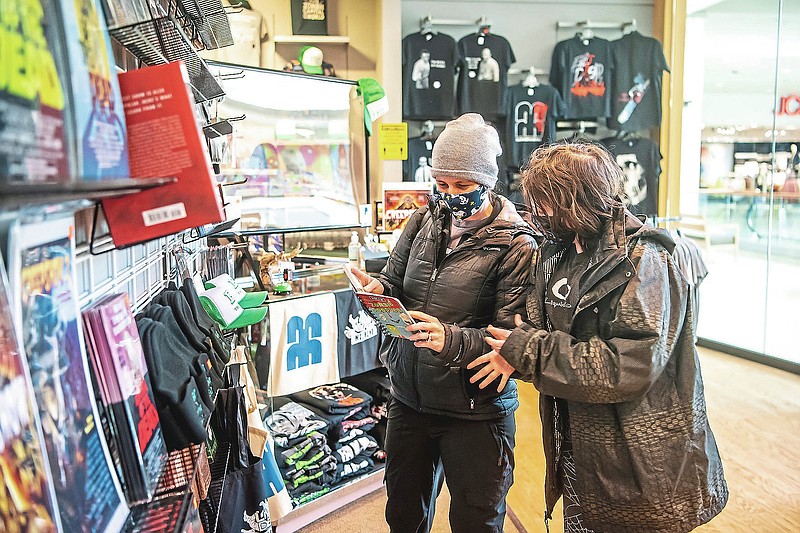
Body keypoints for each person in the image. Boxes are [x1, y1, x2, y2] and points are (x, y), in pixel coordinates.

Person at [468, 142, 729, 532]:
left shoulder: (645, 260)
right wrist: (519, 351)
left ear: (574, 200)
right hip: (581, 446)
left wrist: (529, 351)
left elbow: (628, 366)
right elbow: (539, 328)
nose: (537, 212)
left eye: (545, 202)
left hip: (640, 459)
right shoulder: (556, 252)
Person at [350, 113, 535, 533]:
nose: (450, 195)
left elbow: (510, 339)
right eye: (442, 184)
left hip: (474, 409)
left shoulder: (516, 243)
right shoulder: (424, 219)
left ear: (487, 181)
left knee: (476, 521)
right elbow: (394, 279)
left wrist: (446, 338)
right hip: (409, 398)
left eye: (463, 186)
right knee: (403, 515)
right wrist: (375, 290)